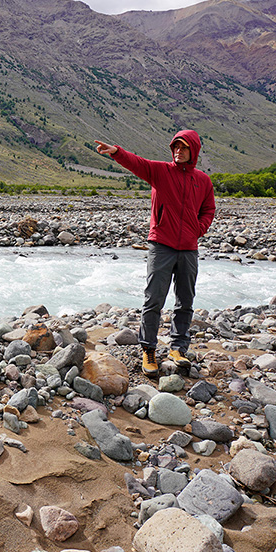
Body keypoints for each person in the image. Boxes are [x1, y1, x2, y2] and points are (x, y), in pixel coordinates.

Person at [94, 130, 215, 377]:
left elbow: (208, 209)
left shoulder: (202, 180)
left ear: (194, 151)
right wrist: (117, 152)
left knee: (185, 300)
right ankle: (148, 350)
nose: (178, 152)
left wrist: (197, 230)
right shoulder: (161, 172)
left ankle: (178, 348)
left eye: (184, 148)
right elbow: (138, 163)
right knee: (154, 299)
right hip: (161, 245)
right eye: (175, 147)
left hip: (189, 249)